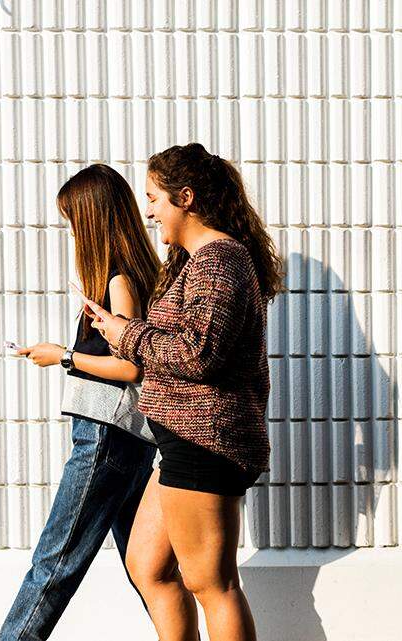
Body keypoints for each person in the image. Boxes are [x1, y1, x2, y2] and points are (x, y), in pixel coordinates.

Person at [84, 143, 283, 641]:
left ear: (185, 197)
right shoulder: (193, 261)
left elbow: (197, 353)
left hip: (207, 440)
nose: (147, 211)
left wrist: (124, 332)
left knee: (212, 583)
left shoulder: (219, 262)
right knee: (148, 567)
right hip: (180, 437)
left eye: (154, 198)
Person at [0, 164, 161, 641]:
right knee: (148, 570)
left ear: (92, 221)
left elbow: (130, 366)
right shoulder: (135, 275)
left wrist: (64, 356)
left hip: (105, 437)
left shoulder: (119, 281)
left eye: (74, 221)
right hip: (131, 439)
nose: (73, 234)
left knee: (53, 563)